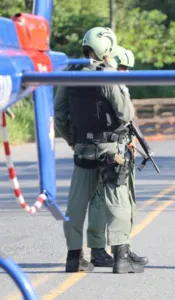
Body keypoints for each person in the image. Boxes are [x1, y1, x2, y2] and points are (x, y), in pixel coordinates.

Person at [54, 27, 145, 274]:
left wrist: (72, 139)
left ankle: (74, 258)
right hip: (110, 149)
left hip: (83, 148)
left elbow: (60, 114)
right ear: (106, 49)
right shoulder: (108, 75)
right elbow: (125, 114)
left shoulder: (69, 74)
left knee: (76, 204)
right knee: (118, 202)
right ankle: (121, 258)